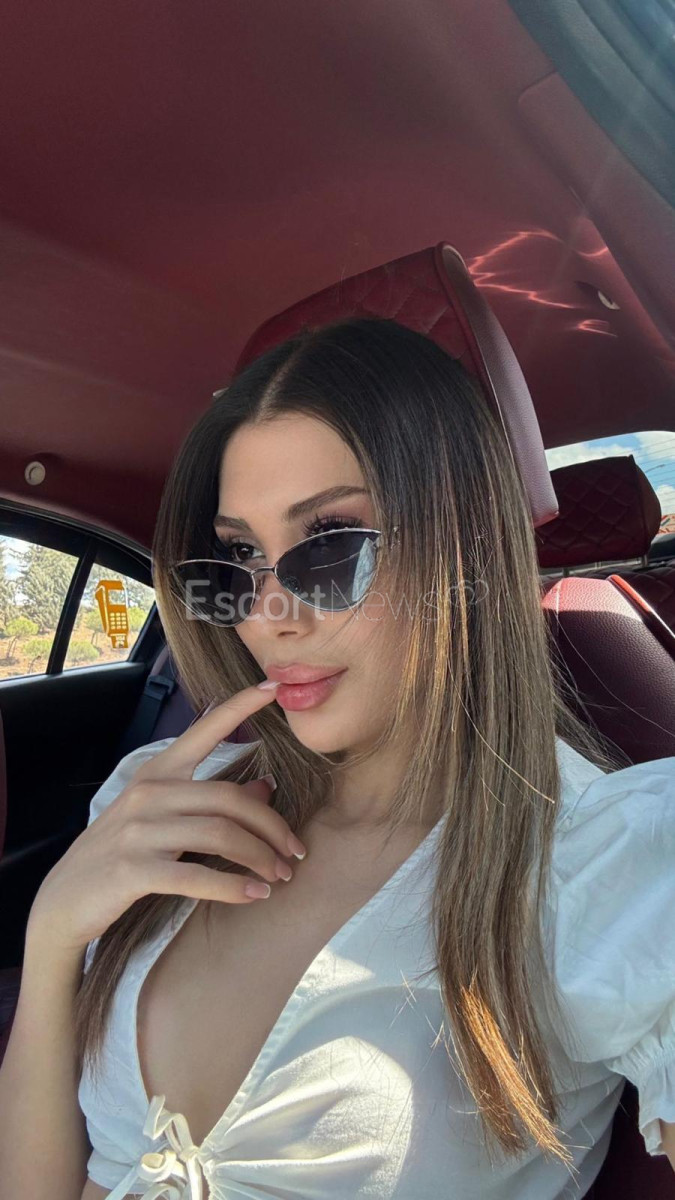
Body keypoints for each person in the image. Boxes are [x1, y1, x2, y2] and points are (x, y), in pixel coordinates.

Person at [1, 316, 673, 1199]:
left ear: (462, 551)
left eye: (331, 545)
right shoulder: (164, 798)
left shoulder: (606, 862)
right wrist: (53, 933)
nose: (266, 615)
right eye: (241, 555)